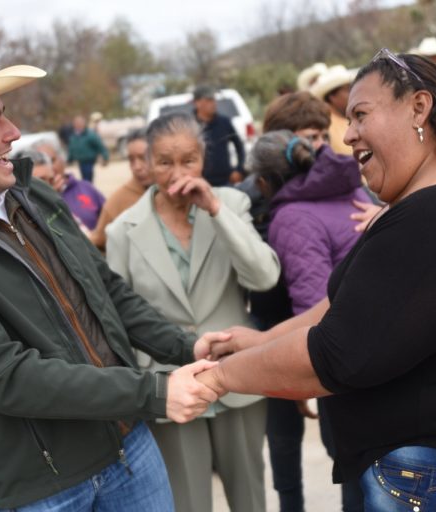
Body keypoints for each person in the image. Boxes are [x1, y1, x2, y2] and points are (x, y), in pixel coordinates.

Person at [197, 49, 436, 510]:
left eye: (360, 115)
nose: (347, 134)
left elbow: (333, 357)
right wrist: (260, 341)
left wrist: (216, 380)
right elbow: (350, 306)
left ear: (419, 107)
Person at [0, 42, 223, 511]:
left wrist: (185, 346)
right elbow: (6, 377)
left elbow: (106, 292)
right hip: (44, 487)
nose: (13, 133)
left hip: (130, 445)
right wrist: (153, 392)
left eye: (4, 115)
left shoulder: (29, 192)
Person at [105, 112, 280, 512]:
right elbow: (118, 321)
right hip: (169, 384)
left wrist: (216, 210)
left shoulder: (231, 203)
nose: (176, 172)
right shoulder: (123, 231)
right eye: (164, 161)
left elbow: (264, 275)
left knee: (250, 496)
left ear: (203, 159)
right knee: (187, 502)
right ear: (146, 163)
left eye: (188, 160)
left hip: (236, 375)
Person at [251, 91, 370, 512]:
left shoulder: (339, 189)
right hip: (274, 328)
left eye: (322, 135)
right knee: (283, 446)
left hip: (312, 337)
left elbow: (319, 298)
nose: (317, 145)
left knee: (351, 459)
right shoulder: (255, 195)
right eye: (307, 136)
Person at [90, 128, 153, 251]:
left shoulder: (175, 194)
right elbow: (97, 243)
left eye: (143, 158)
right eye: (131, 160)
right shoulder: (117, 201)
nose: (137, 167)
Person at [192, 85, 246, 186]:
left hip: (225, 182)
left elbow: (239, 146)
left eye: (213, 99)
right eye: (208, 100)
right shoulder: (189, 125)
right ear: (197, 103)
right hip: (200, 184)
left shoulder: (224, 122)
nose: (213, 103)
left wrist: (239, 169)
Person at [310, 66, 355, 156]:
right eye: (348, 90)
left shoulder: (350, 120)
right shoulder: (325, 125)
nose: (353, 93)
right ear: (332, 97)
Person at [66, 114, 109, 183]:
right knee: (84, 178)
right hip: (80, 161)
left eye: (79, 123)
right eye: (76, 123)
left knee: (88, 179)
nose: (78, 125)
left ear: (83, 123)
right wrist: (69, 160)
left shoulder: (90, 134)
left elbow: (100, 146)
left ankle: (89, 191)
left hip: (89, 161)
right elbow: (71, 149)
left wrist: (105, 157)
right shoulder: (73, 136)